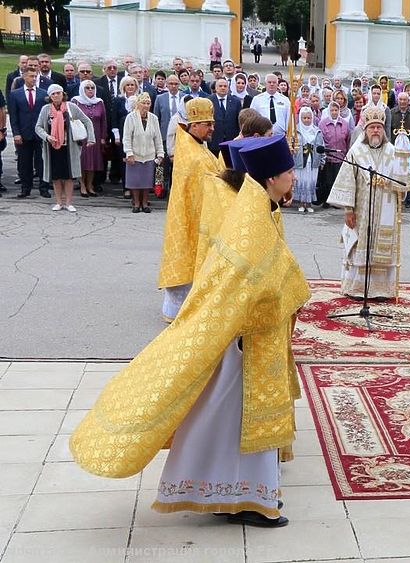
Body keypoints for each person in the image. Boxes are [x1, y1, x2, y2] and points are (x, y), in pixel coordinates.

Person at [70, 135, 310, 529]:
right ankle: (242, 498)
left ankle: (235, 496)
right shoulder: (251, 223)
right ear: (270, 178)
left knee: (225, 423)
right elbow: (253, 284)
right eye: (288, 171)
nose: (293, 177)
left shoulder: (258, 208)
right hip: (243, 342)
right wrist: (289, 295)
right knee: (227, 422)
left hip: (250, 340)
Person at [328, 105, 410, 300]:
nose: (375, 131)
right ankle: (358, 289)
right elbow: (347, 181)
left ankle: (381, 290)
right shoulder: (356, 152)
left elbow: (405, 180)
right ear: (365, 129)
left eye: (379, 127)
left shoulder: (393, 151)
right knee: (361, 246)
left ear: (384, 130)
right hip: (362, 209)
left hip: (386, 209)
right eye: (372, 127)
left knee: (381, 248)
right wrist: (348, 210)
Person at [158, 98, 221, 322]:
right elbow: (212, 184)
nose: (212, 127)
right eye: (208, 124)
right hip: (195, 218)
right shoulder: (194, 156)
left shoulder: (192, 145)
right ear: (194, 125)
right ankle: (181, 309)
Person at [35, 83, 96, 212]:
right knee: (56, 176)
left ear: (63, 94)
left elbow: (87, 121)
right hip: (52, 147)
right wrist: (47, 137)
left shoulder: (71, 107)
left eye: (58, 93)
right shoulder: (46, 109)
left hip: (69, 147)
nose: (56, 95)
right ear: (50, 96)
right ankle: (58, 202)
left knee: (69, 176)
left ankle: (68, 203)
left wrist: (91, 138)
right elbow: (38, 127)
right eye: (53, 94)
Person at [121, 92, 164, 213]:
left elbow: (158, 138)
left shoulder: (154, 118)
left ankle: (145, 203)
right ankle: (136, 203)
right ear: (138, 104)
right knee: (135, 181)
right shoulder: (131, 117)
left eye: (148, 103)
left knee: (146, 181)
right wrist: (129, 153)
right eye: (143, 103)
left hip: (149, 155)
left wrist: (160, 153)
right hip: (135, 154)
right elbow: (127, 137)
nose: (146, 105)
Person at [10, 68, 48, 198]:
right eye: (31, 76)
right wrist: (16, 133)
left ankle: (44, 187)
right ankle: (26, 188)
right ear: (24, 77)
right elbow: (14, 116)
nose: (34, 78)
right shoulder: (15, 94)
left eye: (35, 76)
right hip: (23, 133)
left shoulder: (43, 94)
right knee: (24, 162)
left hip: (40, 133)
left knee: (41, 161)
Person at [69, 79, 107, 198]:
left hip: (95, 136)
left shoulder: (99, 102)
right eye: (87, 88)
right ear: (82, 89)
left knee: (93, 162)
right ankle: (82, 185)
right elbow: (71, 119)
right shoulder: (76, 101)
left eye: (92, 88)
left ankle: (90, 185)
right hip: (81, 136)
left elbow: (103, 120)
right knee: (82, 161)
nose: (90, 90)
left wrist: (103, 137)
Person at [292, 107, 325, 213]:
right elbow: (291, 147)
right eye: (304, 118)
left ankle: (309, 203)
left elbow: (321, 146)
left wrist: (322, 160)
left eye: (309, 118)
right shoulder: (295, 131)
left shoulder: (317, 131)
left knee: (311, 181)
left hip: (313, 160)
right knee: (302, 180)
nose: (306, 120)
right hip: (300, 160)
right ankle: (301, 203)